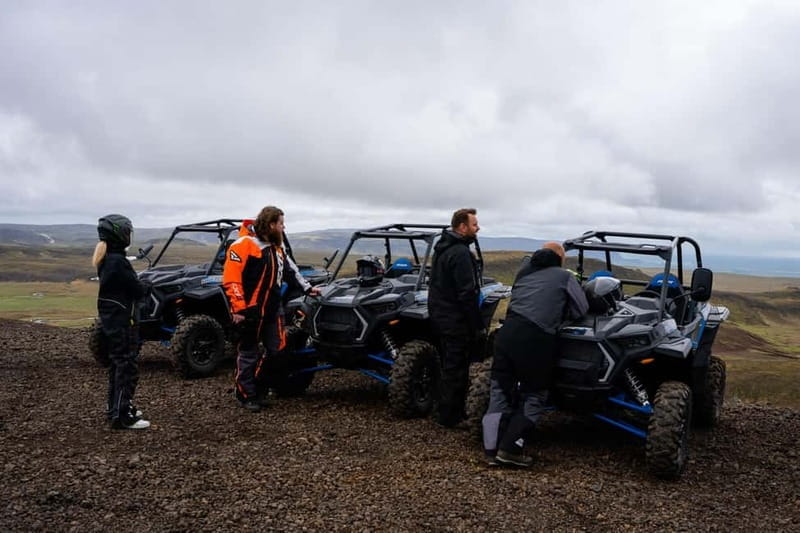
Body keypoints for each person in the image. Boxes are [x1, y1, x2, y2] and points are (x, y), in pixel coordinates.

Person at [482, 241, 589, 467]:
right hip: (536, 339)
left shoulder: (523, 273)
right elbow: (581, 309)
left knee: (500, 390)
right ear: (560, 258)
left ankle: (490, 450)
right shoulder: (564, 276)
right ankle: (510, 450)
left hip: (506, 334)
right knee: (535, 394)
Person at [222, 206, 321, 412]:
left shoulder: (277, 247)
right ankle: (246, 394)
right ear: (270, 224)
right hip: (250, 309)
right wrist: (238, 309)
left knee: (278, 350)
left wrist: (308, 288)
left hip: (274, 309)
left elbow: (291, 271)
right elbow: (232, 279)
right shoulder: (243, 245)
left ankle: (260, 387)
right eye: (281, 223)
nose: (284, 227)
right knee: (248, 352)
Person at [93, 214, 150, 430]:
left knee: (118, 364)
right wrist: (146, 287)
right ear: (120, 234)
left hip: (113, 316)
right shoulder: (118, 261)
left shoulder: (106, 257)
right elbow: (136, 289)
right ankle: (122, 416)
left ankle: (116, 408)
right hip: (123, 318)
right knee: (126, 365)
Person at [428, 208, 484, 427]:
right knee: (457, 367)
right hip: (455, 320)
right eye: (474, 224)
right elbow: (467, 293)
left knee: (448, 364)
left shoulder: (442, 248)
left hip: (441, 315)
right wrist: (476, 325)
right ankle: (451, 417)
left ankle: (444, 410)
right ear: (462, 227)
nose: (478, 228)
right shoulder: (460, 253)